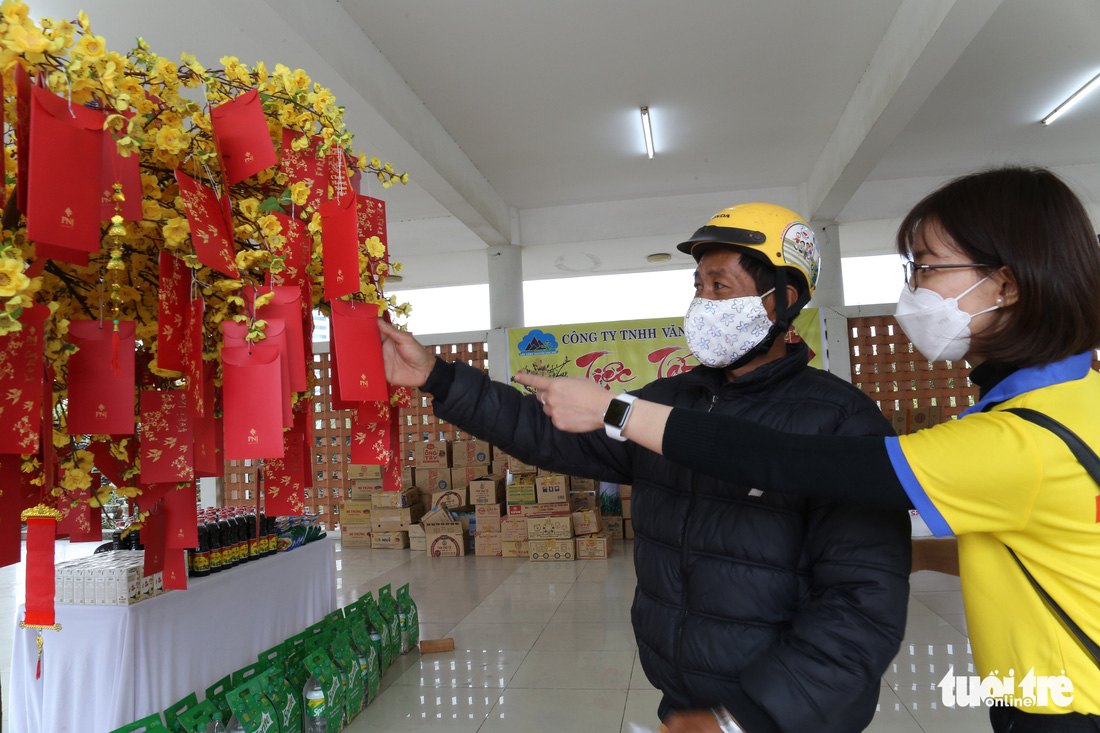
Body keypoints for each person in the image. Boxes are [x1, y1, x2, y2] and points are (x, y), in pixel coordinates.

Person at [518, 167, 1100, 732]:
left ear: (1006, 284)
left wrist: (617, 410)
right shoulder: (1072, 402)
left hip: (1070, 709)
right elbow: (1046, 544)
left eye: (924, 268)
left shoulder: (1018, 439)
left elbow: (790, 462)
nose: (912, 290)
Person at [380, 202, 912, 733]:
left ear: (784, 299)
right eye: (698, 286)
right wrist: (439, 378)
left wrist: (745, 721)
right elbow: (552, 434)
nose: (703, 301)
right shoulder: (666, 403)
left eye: (720, 287)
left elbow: (861, 606)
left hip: (779, 716)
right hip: (683, 706)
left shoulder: (841, 421)